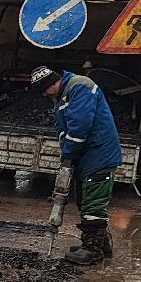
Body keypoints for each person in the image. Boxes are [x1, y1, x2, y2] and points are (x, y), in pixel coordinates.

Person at [30, 65, 123, 265]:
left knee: (93, 204)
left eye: (44, 90)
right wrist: (66, 152)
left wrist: (69, 154)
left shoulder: (79, 88)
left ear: (51, 83)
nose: (45, 95)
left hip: (99, 154)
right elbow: (61, 127)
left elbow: (80, 127)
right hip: (87, 155)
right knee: (85, 199)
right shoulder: (61, 95)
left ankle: (93, 249)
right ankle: (100, 244)